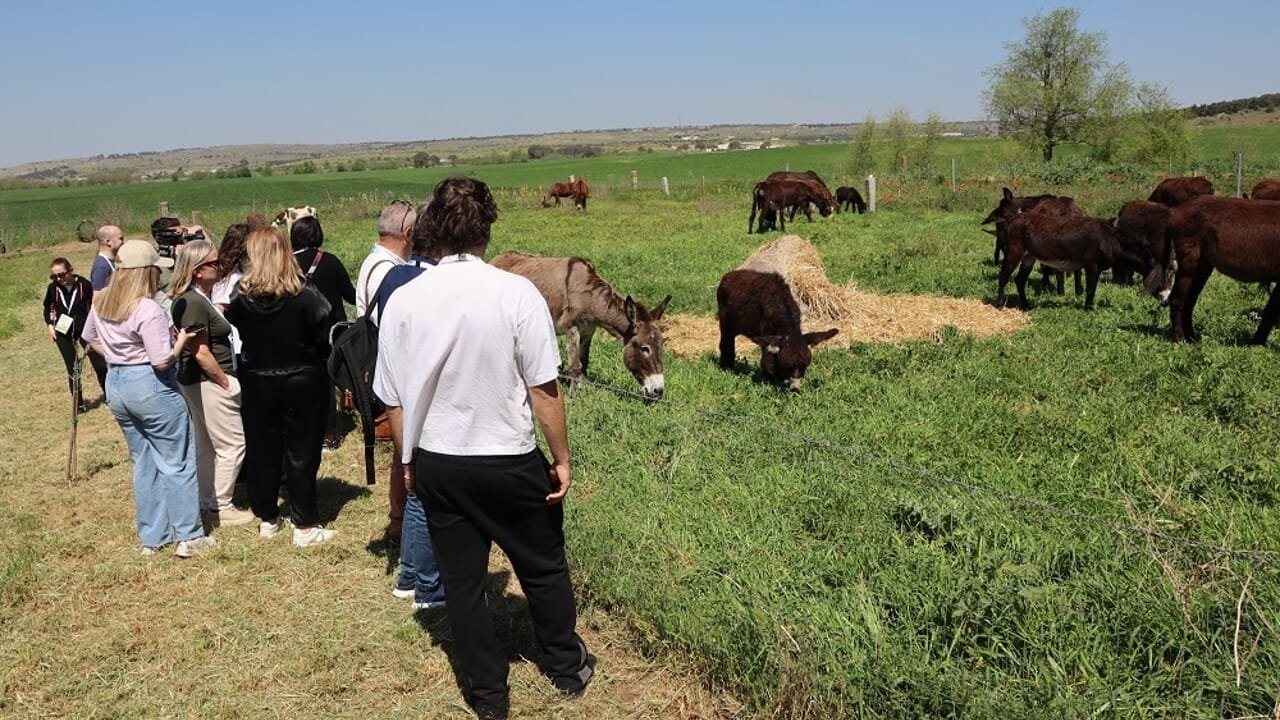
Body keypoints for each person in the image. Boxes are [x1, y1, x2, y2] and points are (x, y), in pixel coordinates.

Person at [373, 178, 593, 720]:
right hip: (508, 457)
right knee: (542, 565)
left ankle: (489, 694)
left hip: (439, 461)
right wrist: (561, 457)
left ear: (431, 230)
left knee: (463, 583)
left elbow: (395, 400)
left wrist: (407, 465)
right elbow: (544, 389)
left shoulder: (404, 299)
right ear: (488, 227)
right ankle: (566, 665)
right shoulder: (515, 293)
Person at [81, 240, 214, 558]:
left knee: (143, 462)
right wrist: (181, 341)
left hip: (117, 383)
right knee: (177, 460)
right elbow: (162, 361)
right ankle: (189, 536)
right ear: (146, 272)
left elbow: (89, 338)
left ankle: (153, 538)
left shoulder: (102, 302)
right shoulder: (147, 309)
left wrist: (117, 355)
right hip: (151, 384)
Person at [226, 226, 337, 548]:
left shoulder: (241, 297)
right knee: (302, 451)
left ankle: (267, 517)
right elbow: (323, 331)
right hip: (303, 376)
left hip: (258, 379)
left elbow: (237, 327)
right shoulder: (304, 292)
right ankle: (305, 524)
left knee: (262, 449)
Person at [369, 205, 444, 610]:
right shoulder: (436, 284)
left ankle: (409, 575)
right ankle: (428, 585)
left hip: (398, 392)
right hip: (431, 397)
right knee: (429, 491)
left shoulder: (393, 276)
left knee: (414, 485)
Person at [168, 240, 253, 527]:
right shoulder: (192, 302)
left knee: (205, 444)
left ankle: (207, 501)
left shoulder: (196, 298)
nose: (219, 267)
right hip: (209, 380)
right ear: (196, 271)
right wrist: (225, 382)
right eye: (213, 263)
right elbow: (200, 351)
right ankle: (221, 505)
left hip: (197, 381)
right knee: (233, 444)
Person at [355, 202, 413, 543]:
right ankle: (399, 522)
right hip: (390, 366)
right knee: (403, 451)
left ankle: (400, 521)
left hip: (382, 362)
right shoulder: (387, 270)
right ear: (408, 234)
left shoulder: (377, 262)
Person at [289, 215, 355, 449]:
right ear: (318, 236)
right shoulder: (331, 262)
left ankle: (303, 429)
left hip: (297, 332)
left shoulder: (286, 265)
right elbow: (351, 296)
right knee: (327, 382)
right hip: (331, 333)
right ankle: (328, 435)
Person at [43, 257, 109, 411]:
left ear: (70, 270)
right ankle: (78, 404)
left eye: (62, 274)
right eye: (55, 276)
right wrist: (50, 325)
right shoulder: (53, 289)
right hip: (63, 332)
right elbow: (48, 307)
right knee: (73, 367)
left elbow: (95, 306)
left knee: (99, 363)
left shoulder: (84, 285)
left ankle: (109, 396)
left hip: (85, 330)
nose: (59, 279)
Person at [90, 225, 125, 290]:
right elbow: (98, 295)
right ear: (108, 242)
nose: (123, 242)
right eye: (120, 239)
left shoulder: (115, 261)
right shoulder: (102, 267)